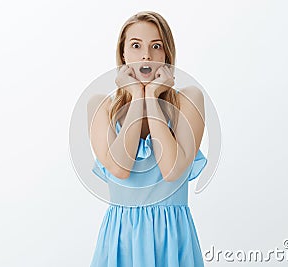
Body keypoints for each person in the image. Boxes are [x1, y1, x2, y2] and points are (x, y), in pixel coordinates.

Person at [87, 11, 207, 267]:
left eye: (156, 46)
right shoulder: (100, 106)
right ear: (123, 54)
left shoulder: (189, 100)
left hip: (173, 237)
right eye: (136, 45)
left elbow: (172, 169)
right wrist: (136, 97)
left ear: (166, 55)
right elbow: (120, 167)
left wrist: (151, 96)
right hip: (122, 239)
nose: (146, 56)